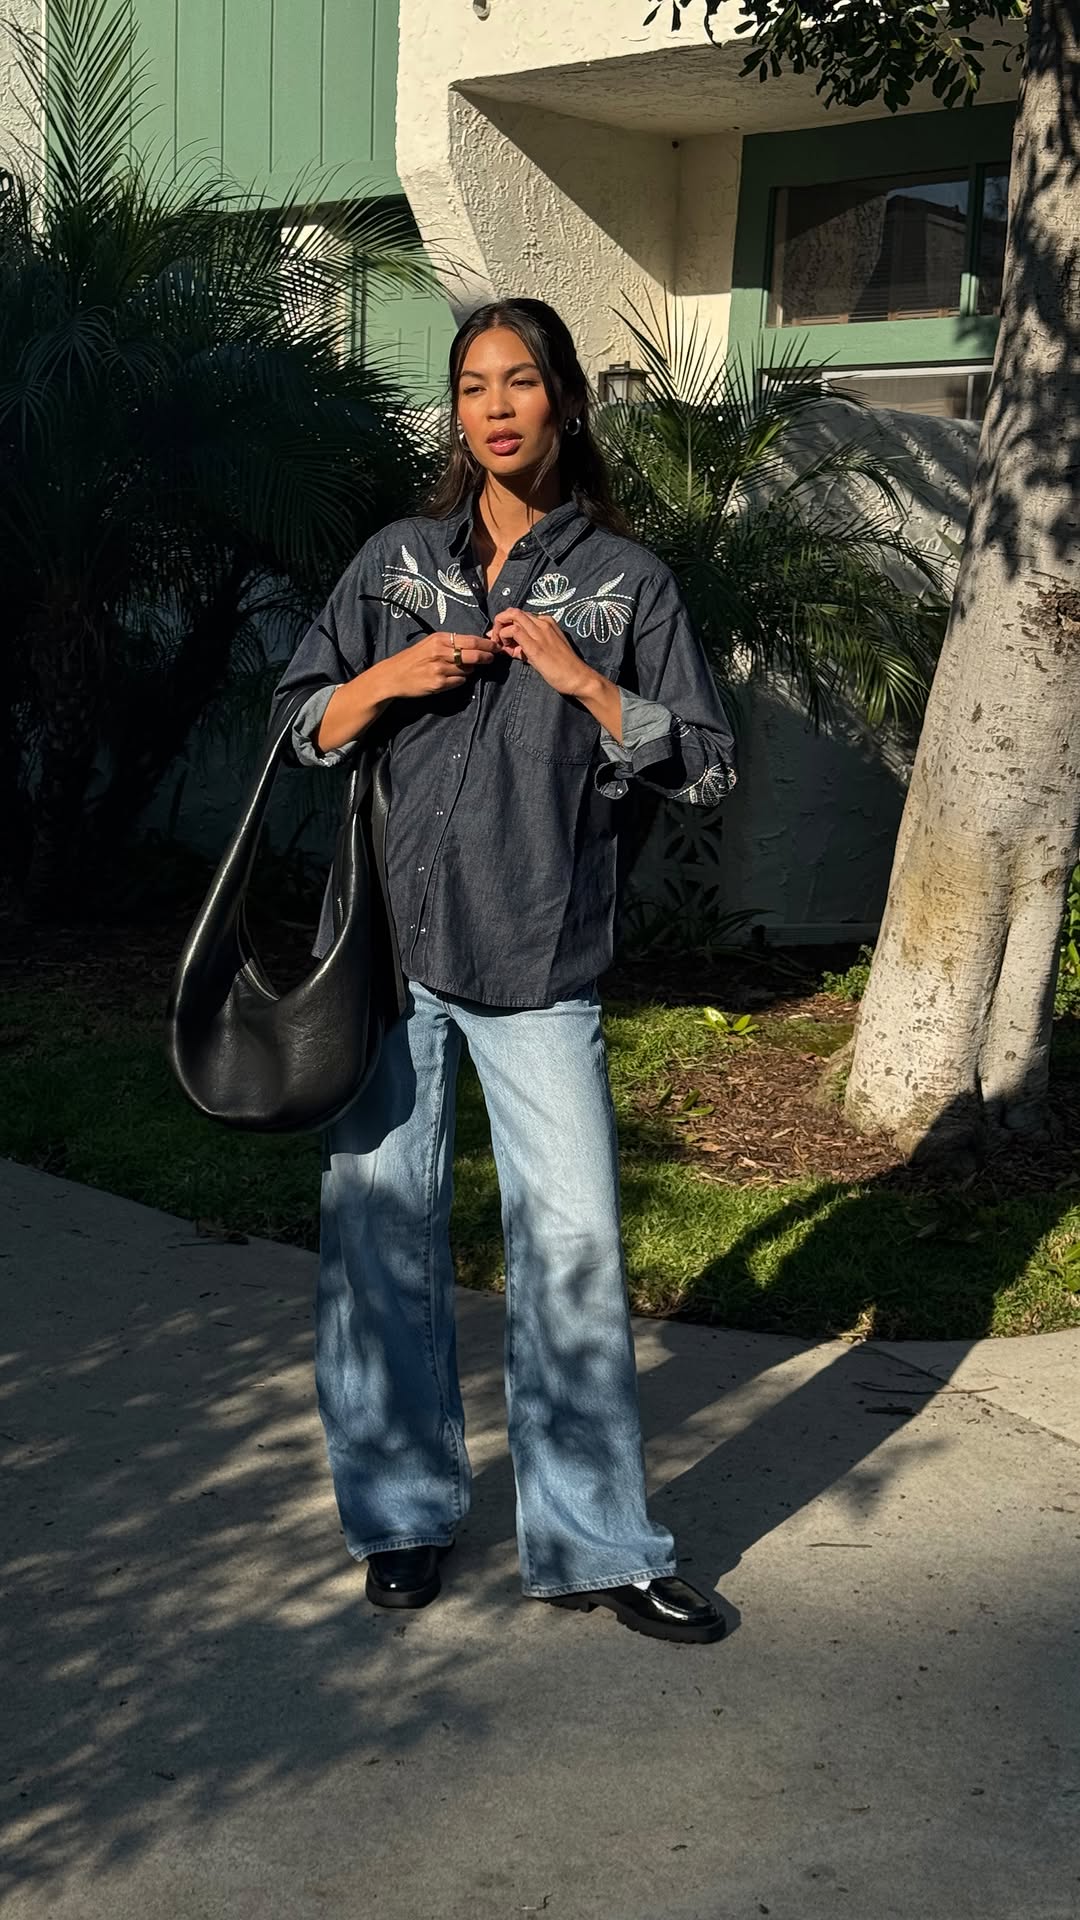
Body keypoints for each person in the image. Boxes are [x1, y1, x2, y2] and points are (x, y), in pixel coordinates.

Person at [271, 298, 736, 1646]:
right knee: (379, 1242)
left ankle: (598, 1544)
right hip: (389, 956)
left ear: (564, 401)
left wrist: (589, 686)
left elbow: (708, 767)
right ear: (458, 411)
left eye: (519, 381)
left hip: (538, 952)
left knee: (574, 1248)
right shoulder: (397, 565)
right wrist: (387, 681)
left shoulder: (628, 584)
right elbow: (298, 722)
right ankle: (402, 1518)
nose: (495, 406)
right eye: (473, 385)